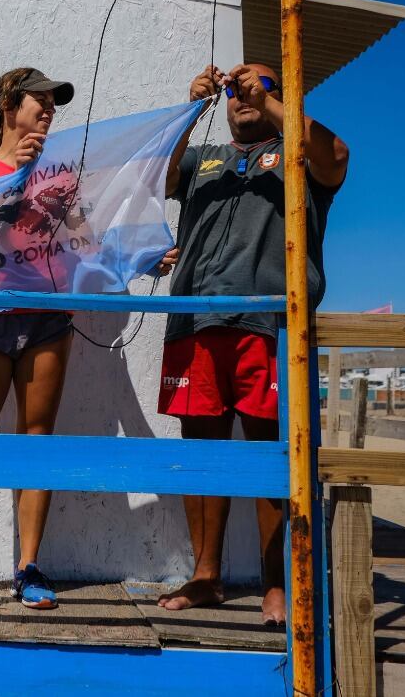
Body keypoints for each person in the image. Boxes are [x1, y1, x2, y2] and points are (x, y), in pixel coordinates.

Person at [0, 67, 176, 610]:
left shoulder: (61, 174)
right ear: (10, 105)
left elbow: (83, 243)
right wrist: (17, 175)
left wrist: (142, 259)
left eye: (54, 103)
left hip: (48, 320)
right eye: (41, 99)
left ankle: (29, 567)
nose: (50, 109)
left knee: (37, 442)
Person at [158, 63, 348, 626]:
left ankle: (277, 583)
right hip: (195, 322)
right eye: (236, 88)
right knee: (202, 453)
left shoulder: (295, 154)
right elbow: (157, 178)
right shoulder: (204, 157)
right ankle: (206, 576)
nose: (243, 93)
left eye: (261, 85)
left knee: (273, 454)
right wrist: (191, 109)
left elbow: (336, 155)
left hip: (270, 326)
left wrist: (268, 104)